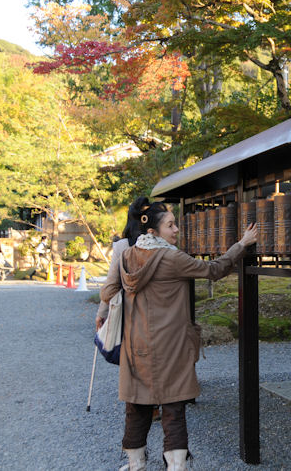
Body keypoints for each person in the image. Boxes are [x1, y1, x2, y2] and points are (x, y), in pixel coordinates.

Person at [99, 198, 257, 471]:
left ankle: (136, 464)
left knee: (136, 406)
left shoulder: (126, 256)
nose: (175, 231)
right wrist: (242, 244)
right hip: (170, 345)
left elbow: (107, 291)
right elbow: (214, 270)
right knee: (173, 407)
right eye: (170, 225)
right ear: (153, 231)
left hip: (136, 344)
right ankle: (176, 465)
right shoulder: (172, 257)